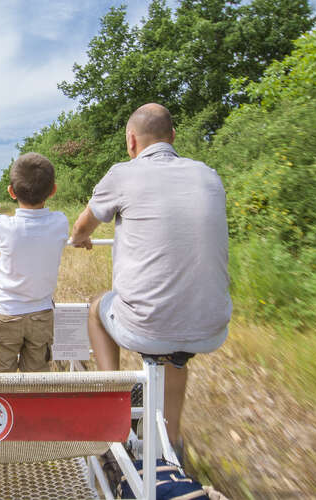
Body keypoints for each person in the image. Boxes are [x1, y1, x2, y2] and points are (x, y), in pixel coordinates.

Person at [70, 103, 232, 452]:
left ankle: (112, 403)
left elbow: (82, 226)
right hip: (210, 324)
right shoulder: (208, 174)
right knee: (175, 353)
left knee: (97, 307)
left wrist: (81, 239)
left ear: (131, 142)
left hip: (146, 324)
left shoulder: (122, 174)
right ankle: (170, 444)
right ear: (173, 137)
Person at [0, 153, 69, 373]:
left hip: (5, 311)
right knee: (37, 380)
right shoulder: (60, 222)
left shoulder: (3, 225)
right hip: (41, 313)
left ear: (11, 192)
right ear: (53, 190)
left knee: (0, 379)